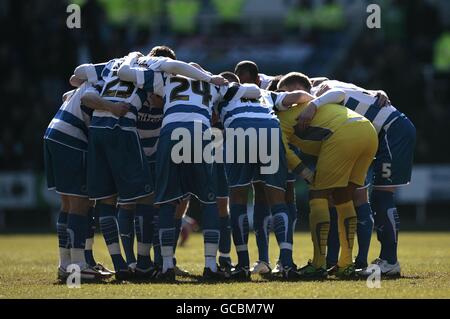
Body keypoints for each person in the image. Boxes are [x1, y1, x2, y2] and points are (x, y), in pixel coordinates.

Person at [277, 72, 378, 279]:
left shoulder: (283, 115)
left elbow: (283, 150)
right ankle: (346, 264)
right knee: (343, 197)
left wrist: (305, 173)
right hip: (368, 131)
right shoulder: (319, 100)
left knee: (317, 197)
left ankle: (318, 264)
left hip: (343, 136)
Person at [217, 71, 314, 280]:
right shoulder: (265, 94)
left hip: (239, 130)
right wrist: (314, 102)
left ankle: (242, 265)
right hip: (270, 130)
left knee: (238, 200)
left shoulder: (221, 91)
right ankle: (287, 263)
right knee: (278, 201)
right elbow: (300, 96)